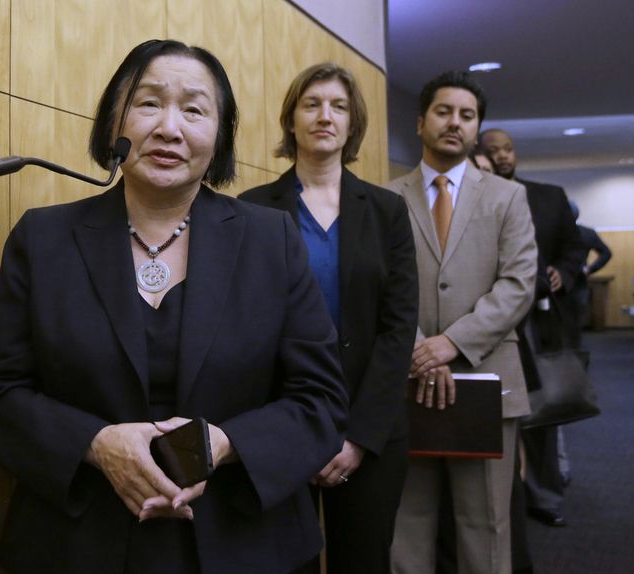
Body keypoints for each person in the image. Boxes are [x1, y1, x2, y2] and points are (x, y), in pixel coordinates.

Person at [0, 39, 348, 574]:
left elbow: (321, 399)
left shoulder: (271, 240)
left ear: (220, 136)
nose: (169, 128)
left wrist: (223, 443)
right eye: (149, 103)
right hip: (78, 540)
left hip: (243, 538)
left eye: (194, 110)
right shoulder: (43, 239)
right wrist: (96, 443)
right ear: (114, 121)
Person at [240, 63, 419, 574]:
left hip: (370, 425)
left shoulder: (387, 211)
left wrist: (358, 436)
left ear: (353, 123)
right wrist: (287, 432)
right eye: (312, 104)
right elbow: (242, 327)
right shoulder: (251, 211)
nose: (325, 116)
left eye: (338, 106)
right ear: (290, 119)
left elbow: (398, 328)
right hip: (278, 424)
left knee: (363, 561)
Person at [386, 71, 537, 574]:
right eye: (444, 111)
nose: (455, 122)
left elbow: (518, 284)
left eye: (467, 116)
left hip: (486, 379)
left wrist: (450, 343)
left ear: (476, 129)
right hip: (406, 378)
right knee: (407, 520)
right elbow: (379, 286)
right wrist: (419, 350)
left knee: (485, 524)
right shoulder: (386, 198)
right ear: (420, 122)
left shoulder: (507, 197)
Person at [482, 128, 586, 530]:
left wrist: (564, 271)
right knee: (493, 414)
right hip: (487, 317)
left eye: (507, 149)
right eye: (494, 151)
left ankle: (544, 497)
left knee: (542, 413)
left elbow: (574, 246)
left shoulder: (548, 196)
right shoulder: (475, 197)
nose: (503, 156)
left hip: (539, 320)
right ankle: (501, 502)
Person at [570, 200, 613, 328]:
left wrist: (591, 269)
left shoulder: (553, 233)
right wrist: (590, 269)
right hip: (579, 279)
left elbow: (606, 253)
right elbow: (606, 253)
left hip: (562, 280)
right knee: (576, 318)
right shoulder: (587, 233)